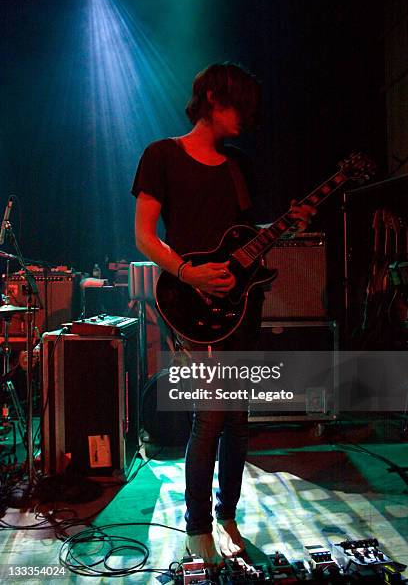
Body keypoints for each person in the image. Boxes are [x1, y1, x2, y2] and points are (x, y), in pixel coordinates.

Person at [132, 63, 314, 565]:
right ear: (212, 98)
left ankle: (227, 514)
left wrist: (286, 227)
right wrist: (187, 273)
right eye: (240, 105)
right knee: (210, 415)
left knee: (238, 417)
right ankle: (196, 527)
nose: (248, 118)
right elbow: (145, 235)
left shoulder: (238, 166)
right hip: (191, 304)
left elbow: (243, 238)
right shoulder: (161, 155)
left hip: (241, 305)